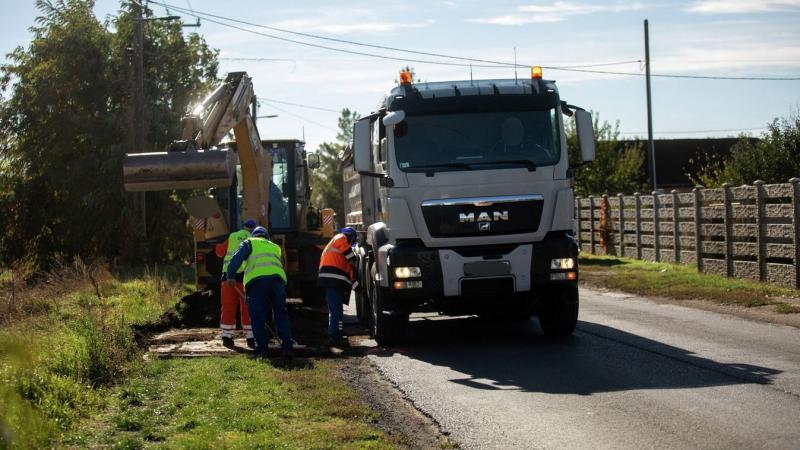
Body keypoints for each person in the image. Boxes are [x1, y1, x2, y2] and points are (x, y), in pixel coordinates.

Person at [226, 226, 294, 358]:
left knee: (257, 316)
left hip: (257, 282)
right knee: (281, 314)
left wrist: (230, 276)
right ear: (266, 237)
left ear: (254, 235)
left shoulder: (250, 242)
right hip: (277, 281)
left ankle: (262, 351)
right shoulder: (275, 247)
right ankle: (287, 348)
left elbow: (236, 258)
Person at [215, 219, 256, 348]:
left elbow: (219, 252)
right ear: (253, 229)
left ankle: (227, 337)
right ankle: (250, 338)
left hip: (228, 278)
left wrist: (218, 243)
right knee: (248, 308)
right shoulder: (255, 239)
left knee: (228, 307)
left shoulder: (232, 236)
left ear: (243, 227)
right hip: (246, 278)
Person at [318, 227, 360, 346]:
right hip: (332, 280)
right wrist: (356, 260)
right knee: (335, 311)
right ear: (350, 237)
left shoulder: (340, 254)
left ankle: (338, 333)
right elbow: (352, 258)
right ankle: (333, 337)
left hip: (333, 280)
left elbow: (351, 276)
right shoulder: (340, 238)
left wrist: (358, 287)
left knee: (338, 311)